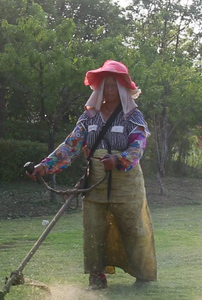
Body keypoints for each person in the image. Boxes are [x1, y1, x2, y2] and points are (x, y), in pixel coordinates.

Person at [27, 60, 157, 289]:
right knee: (94, 230)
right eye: (105, 86)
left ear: (123, 87)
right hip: (95, 182)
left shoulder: (133, 115)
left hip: (127, 183)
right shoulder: (89, 117)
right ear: (99, 88)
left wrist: (118, 159)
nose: (109, 91)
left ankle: (143, 275)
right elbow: (71, 144)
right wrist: (44, 166)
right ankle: (96, 277)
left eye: (114, 85)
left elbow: (139, 146)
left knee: (134, 228)